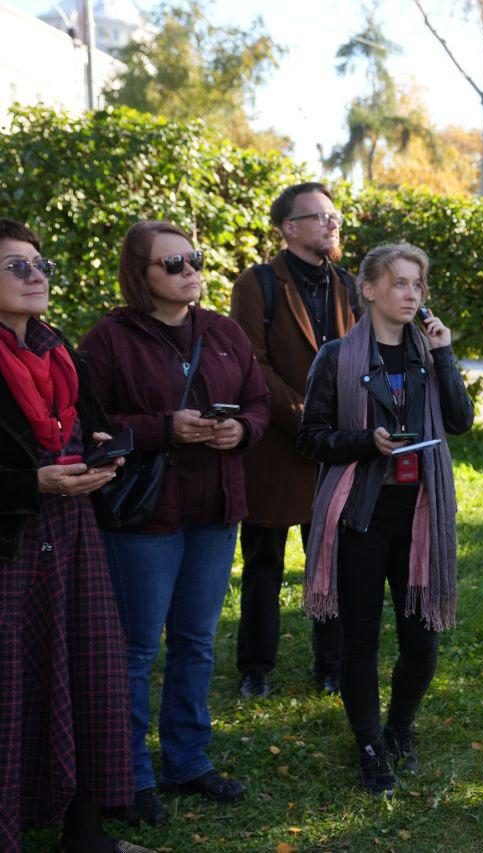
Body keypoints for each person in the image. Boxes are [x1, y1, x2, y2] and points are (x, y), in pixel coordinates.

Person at [79, 221, 271, 827]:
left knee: (195, 641)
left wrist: (241, 429)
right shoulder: (109, 339)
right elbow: (88, 423)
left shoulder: (223, 331)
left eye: (194, 259)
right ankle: (129, 775)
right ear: (140, 274)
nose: (190, 271)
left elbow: (259, 402)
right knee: (136, 649)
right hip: (146, 515)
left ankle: (187, 761)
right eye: (173, 263)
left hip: (214, 509)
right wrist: (163, 428)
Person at [297, 243, 473, 797]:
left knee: (422, 641)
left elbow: (460, 421)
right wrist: (363, 441)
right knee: (362, 641)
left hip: (421, 514)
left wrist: (445, 354)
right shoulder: (336, 357)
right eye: (399, 283)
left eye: (417, 284)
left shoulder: (428, 353)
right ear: (369, 290)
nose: (411, 294)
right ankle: (370, 746)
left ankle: (400, 727)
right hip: (362, 514)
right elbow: (311, 438)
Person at [0, 218, 148, 852]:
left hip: (72, 531)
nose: (36, 275)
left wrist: (101, 448)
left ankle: (85, 833)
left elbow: (88, 425)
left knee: (88, 673)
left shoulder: (58, 350)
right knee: (11, 687)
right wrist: (32, 483)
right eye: (17, 266)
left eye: (40, 265)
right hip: (10, 544)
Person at [229, 181, 357, 699]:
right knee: (263, 562)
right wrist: (304, 418)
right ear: (289, 227)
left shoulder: (349, 284)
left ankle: (332, 664)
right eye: (320, 216)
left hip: (337, 446)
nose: (332, 223)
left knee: (331, 561)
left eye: (335, 215)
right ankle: (256, 666)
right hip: (276, 446)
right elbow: (251, 364)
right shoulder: (256, 283)